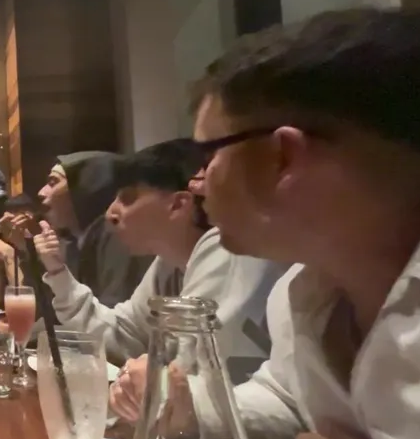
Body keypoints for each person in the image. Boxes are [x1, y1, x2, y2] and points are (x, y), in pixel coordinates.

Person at [141, 7, 420, 439]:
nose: (197, 182)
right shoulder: (305, 290)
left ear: (282, 157)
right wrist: (196, 409)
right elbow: (287, 398)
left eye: (209, 154)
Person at [33, 139, 284, 387]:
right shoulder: (168, 263)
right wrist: (58, 272)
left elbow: (193, 377)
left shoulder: (226, 250)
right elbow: (125, 334)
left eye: (127, 198)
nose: (110, 214)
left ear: (178, 204)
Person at [37, 152, 152, 308]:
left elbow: (113, 314)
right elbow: (51, 309)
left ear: (84, 189)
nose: (41, 192)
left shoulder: (116, 236)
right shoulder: (75, 242)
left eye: (53, 182)